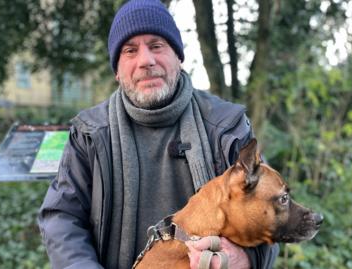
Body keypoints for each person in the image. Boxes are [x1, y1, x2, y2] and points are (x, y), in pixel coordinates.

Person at [37, 0, 279, 268]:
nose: (146, 61)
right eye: (130, 50)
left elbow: (272, 208)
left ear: (178, 56)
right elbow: (61, 216)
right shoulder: (90, 133)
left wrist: (246, 259)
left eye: (156, 46)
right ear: (117, 70)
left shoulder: (226, 127)